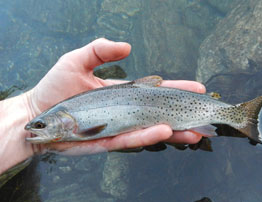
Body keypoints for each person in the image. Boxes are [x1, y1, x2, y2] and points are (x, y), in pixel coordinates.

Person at [0, 38, 206, 175]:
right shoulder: (67, 119)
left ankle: (223, 116)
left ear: (62, 120)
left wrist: (28, 109)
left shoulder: (77, 127)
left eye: (40, 125)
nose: (33, 129)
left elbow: (96, 130)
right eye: (40, 126)